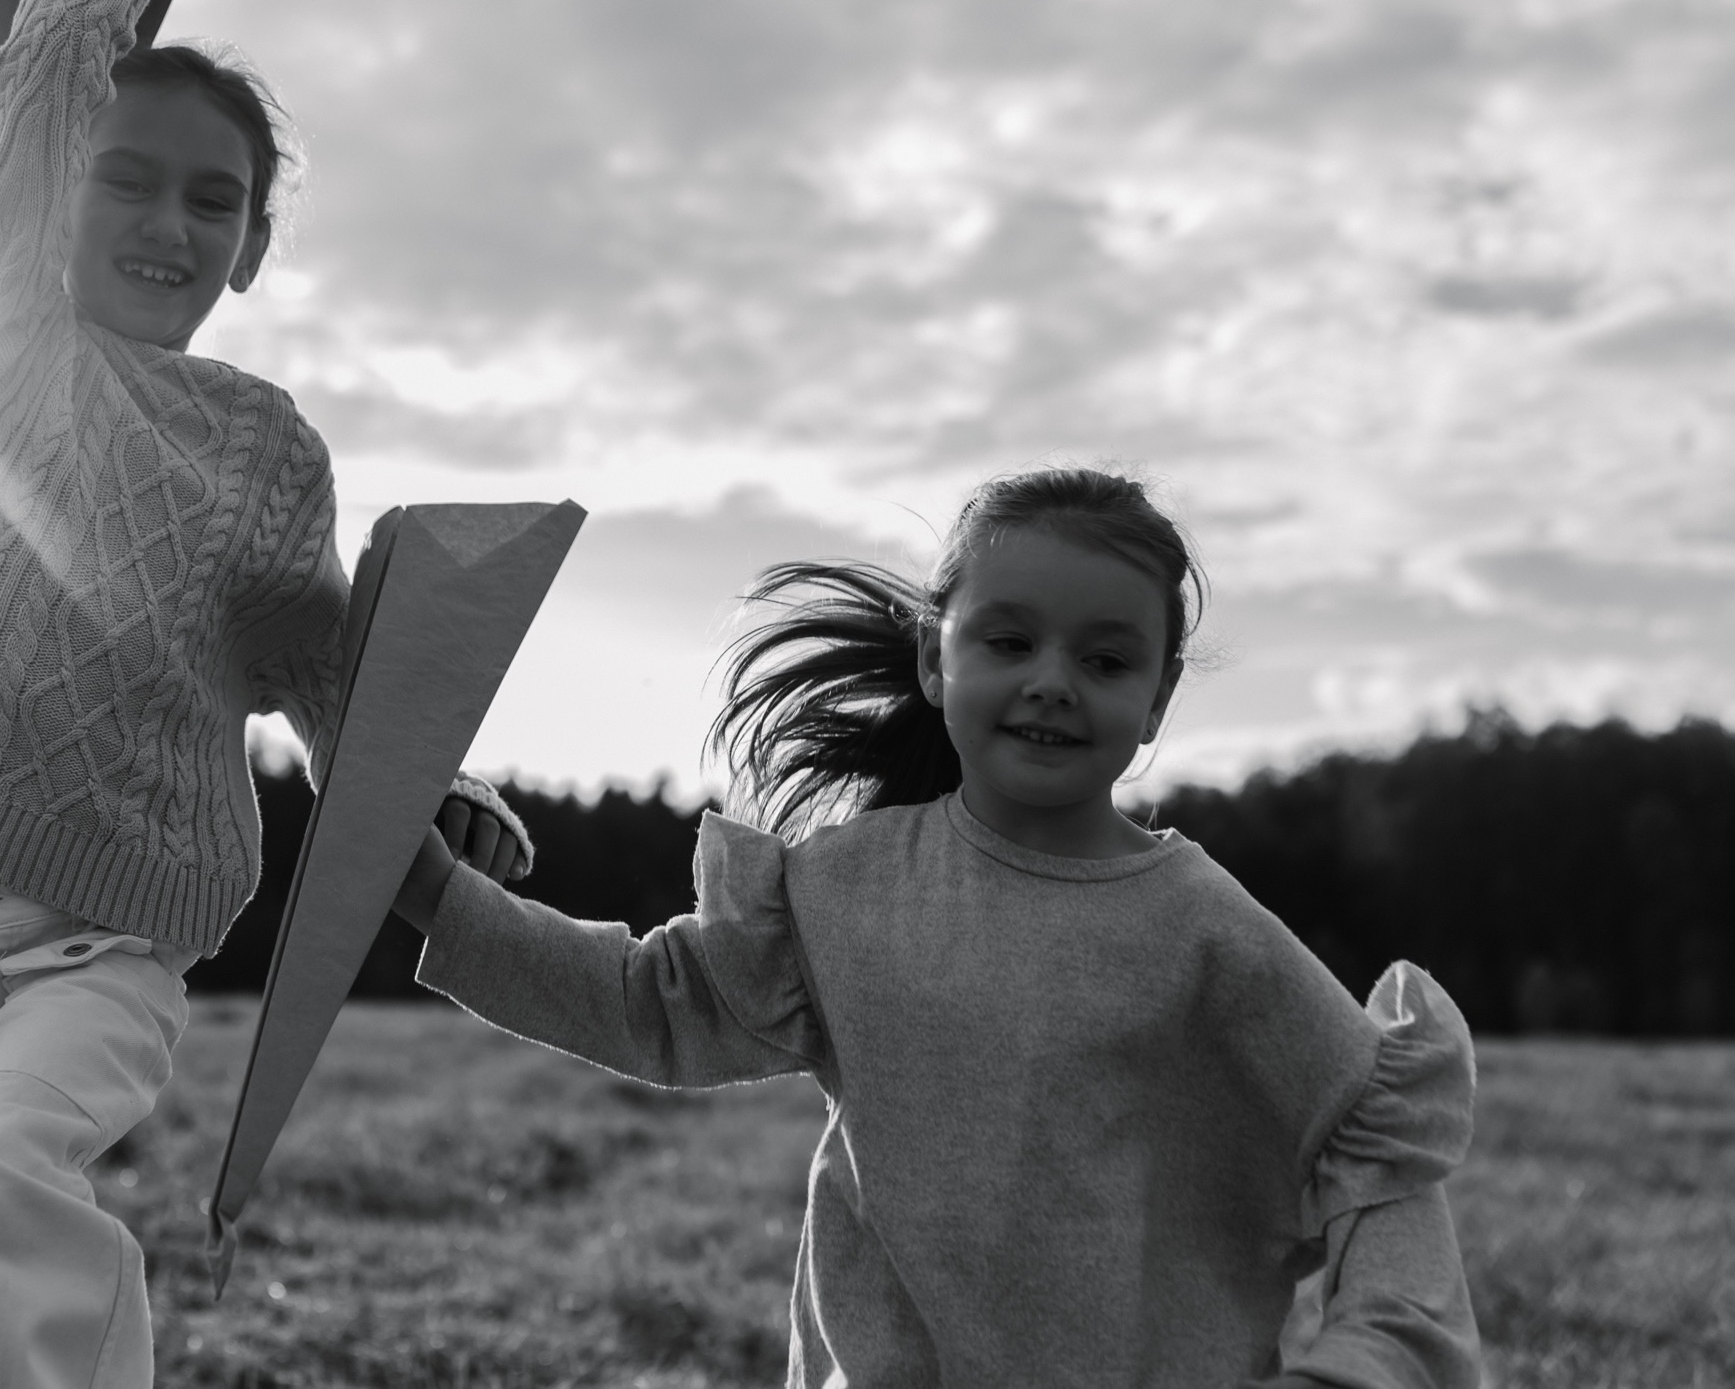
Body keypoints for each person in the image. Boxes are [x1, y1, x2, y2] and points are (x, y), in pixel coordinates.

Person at [0, 0, 527, 1389]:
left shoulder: (267, 446)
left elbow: (324, 662)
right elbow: (44, 72)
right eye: (129, 178)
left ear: (254, 249)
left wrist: (420, 787)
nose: (169, 220)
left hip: (100, 937)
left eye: (216, 201)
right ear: (49, 193)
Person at [396, 466, 1481, 1389]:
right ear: (934, 657)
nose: (1053, 682)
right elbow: (649, 1004)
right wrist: (439, 894)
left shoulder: (1207, 931)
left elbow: (1374, 1153)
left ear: (1156, 700)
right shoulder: (844, 887)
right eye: (1009, 640)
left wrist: (1365, 1363)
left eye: (1105, 660)